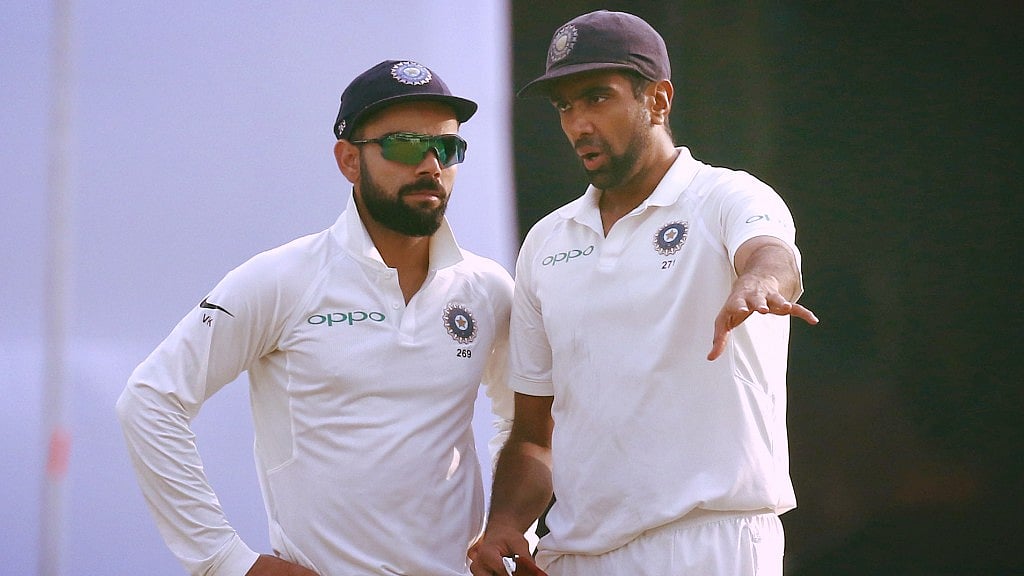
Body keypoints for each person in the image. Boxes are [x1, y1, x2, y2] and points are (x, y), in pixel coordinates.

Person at [117, 59, 515, 576]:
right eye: (403, 145)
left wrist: (510, 530)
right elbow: (150, 401)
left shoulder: (487, 288)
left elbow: (523, 423)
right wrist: (226, 561)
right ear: (348, 161)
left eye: (447, 147)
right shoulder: (282, 278)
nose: (430, 165)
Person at [468, 10, 818, 576]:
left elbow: (771, 253)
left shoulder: (726, 196)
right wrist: (506, 521)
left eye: (597, 98)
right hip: (578, 553)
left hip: (712, 541)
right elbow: (535, 436)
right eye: (565, 106)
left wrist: (758, 281)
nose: (579, 123)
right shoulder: (545, 242)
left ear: (658, 99)